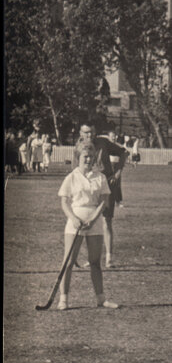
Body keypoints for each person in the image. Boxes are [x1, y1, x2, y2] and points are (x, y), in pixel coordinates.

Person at [56, 142, 119, 310]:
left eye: (91, 156)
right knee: (68, 262)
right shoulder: (71, 177)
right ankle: (63, 299)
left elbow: (104, 202)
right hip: (75, 222)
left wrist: (92, 219)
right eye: (85, 156)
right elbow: (64, 203)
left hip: (94, 222)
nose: (89, 160)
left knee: (95, 262)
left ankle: (101, 299)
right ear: (78, 157)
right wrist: (74, 219)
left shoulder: (100, 177)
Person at [74, 124, 128, 268]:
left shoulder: (103, 142)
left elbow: (123, 152)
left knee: (106, 221)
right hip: (88, 186)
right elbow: (76, 168)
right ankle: (91, 257)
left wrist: (118, 172)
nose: (90, 135)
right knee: (88, 221)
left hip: (106, 184)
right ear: (80, 133)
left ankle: (109, 258)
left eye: (92, 131)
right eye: (86, 132)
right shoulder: (78, 146)